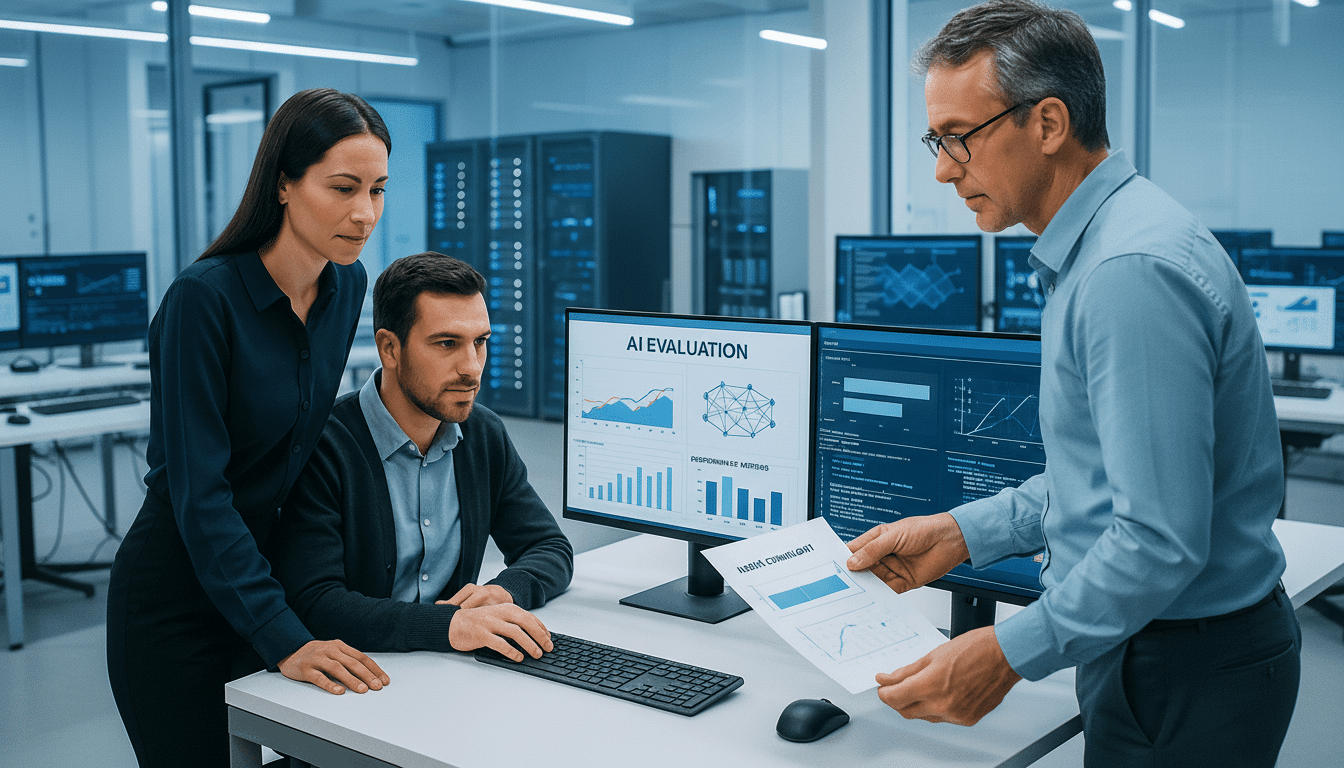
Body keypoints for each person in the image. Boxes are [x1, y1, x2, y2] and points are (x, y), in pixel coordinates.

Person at [844, 2, 1300, 765]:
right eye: (936, 138)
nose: (942, 168)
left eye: (959, 138)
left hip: (1184, 661)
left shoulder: (1129, 274)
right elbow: (1100, 484)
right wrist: (962, 533)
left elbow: (1157, 541)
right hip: (1166, 642)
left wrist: (1006, 653)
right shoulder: (1107, 247)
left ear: (1048, 123)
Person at [107, 88, 393, 767]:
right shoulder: (203, 301)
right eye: (344, 187)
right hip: (175, 603)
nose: (364, 213)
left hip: (263, 587)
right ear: (285, 185)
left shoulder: (345, 287)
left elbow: (301, 450)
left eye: (378, 190)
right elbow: (199, 494)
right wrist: (283, 637)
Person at [267, 251, 573, 663]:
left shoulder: (482, 434)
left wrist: (504, 591)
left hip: (449, 672)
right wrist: (447, 627)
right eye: (447, 344)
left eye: (480, 343)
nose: (472, 368)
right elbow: (317, 602)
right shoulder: (324, 444)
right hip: (361, 676)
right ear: (389, 349)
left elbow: (550, 547)